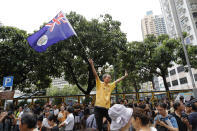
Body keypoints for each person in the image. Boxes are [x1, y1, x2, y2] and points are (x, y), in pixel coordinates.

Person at [89, 59, 128, 131]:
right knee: (99, 126)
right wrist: (92, 64)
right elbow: (95, 75)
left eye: (110, 78)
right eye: (108, 77)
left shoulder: (110, 85)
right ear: (104, 78)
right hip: (98, 108)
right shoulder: (99, 83)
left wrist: (125, 76)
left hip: (106, 108)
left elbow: (117, 80)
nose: (110, 79)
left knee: (112, 122)